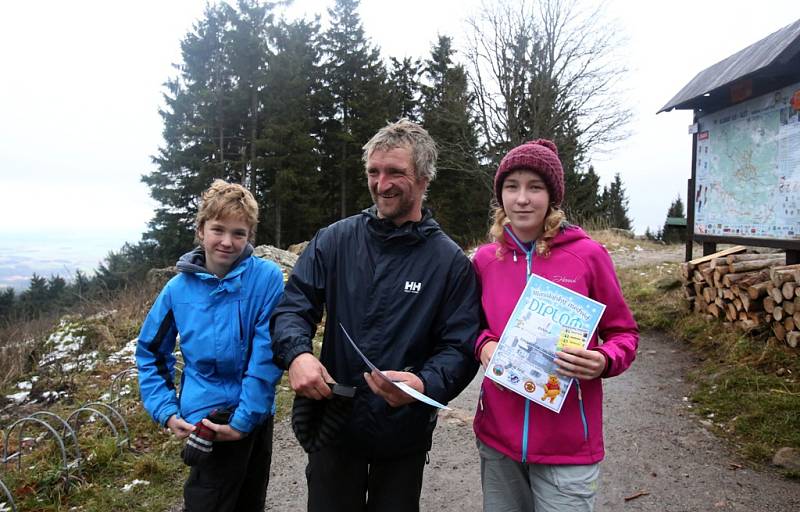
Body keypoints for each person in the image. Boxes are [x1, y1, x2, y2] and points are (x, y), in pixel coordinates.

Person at [271, 119, 480, 512]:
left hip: (404, 434)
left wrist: (421, 384)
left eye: (395, 172)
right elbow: (293, 307)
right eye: (374, 172)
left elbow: (460, 347)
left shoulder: (449, 263)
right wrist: (297, 355)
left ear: (423, 177)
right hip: (335, 424)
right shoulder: (334, 240)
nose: (382, 184)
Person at [472, 139, 639, 511]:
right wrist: (483, 344)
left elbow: (624, 333)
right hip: (499, 440)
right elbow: (471, 325)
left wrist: (603, 360)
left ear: (552, 196)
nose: (522, 199)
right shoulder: (485, 260)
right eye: (511, 187)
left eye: (535, 187)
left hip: (568, 445)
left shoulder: (587, 255)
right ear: (500, 196)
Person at [136, 179, 284, 512]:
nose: (227, 242)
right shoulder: (177, 289)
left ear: (250, 237)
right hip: (207, 421)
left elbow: (266, 355)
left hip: (256, 415)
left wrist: (245, 419)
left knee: (249, 501)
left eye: (239, 233)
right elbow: (149, 353)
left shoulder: (266, 279)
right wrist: (165, 411)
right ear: (201, 230)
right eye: (218, 230)